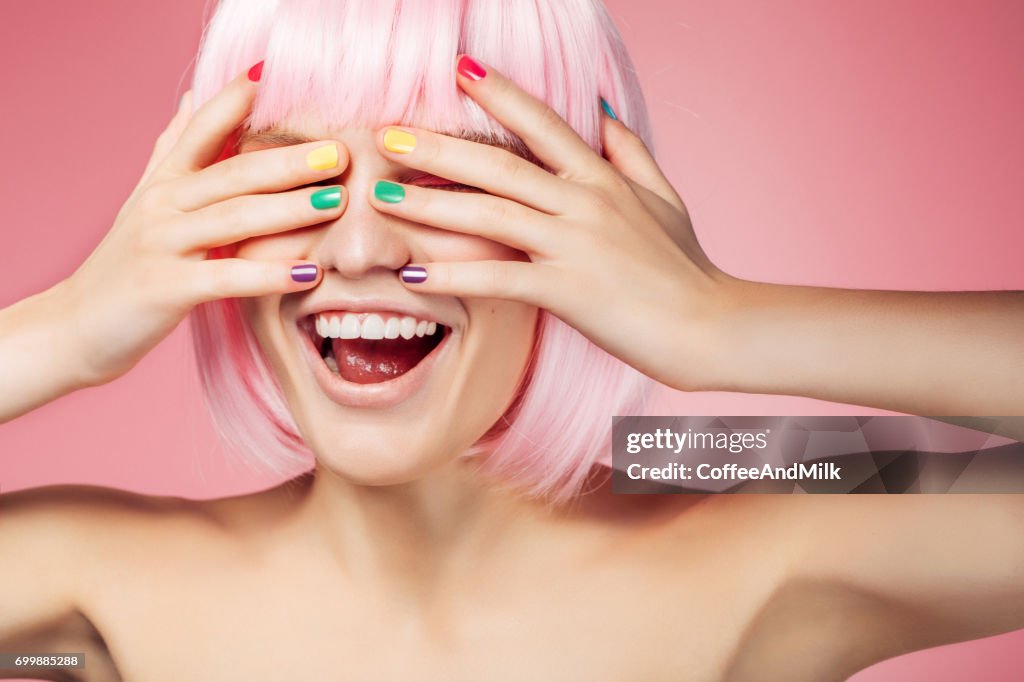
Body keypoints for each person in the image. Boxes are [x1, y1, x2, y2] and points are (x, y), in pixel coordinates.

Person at [1, 0, 1021, 679]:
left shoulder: (734, 498)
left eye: (447, 175)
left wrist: (717, 323)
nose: (359, 243)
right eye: (292, 179)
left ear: (586, 215)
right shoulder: (93, 581)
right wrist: (64, 331)